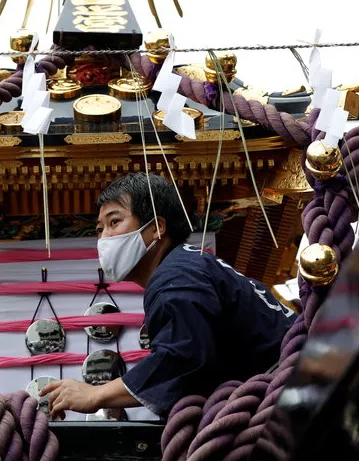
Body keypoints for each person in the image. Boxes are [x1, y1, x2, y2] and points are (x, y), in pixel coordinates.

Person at [40, 172, 297, 419]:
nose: (104, 238)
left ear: (157, 228)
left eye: (114, 222)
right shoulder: (187, 264)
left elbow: (182, 357)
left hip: (294, 388)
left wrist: (97, 394)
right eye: (99, 229)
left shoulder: (176, 277)